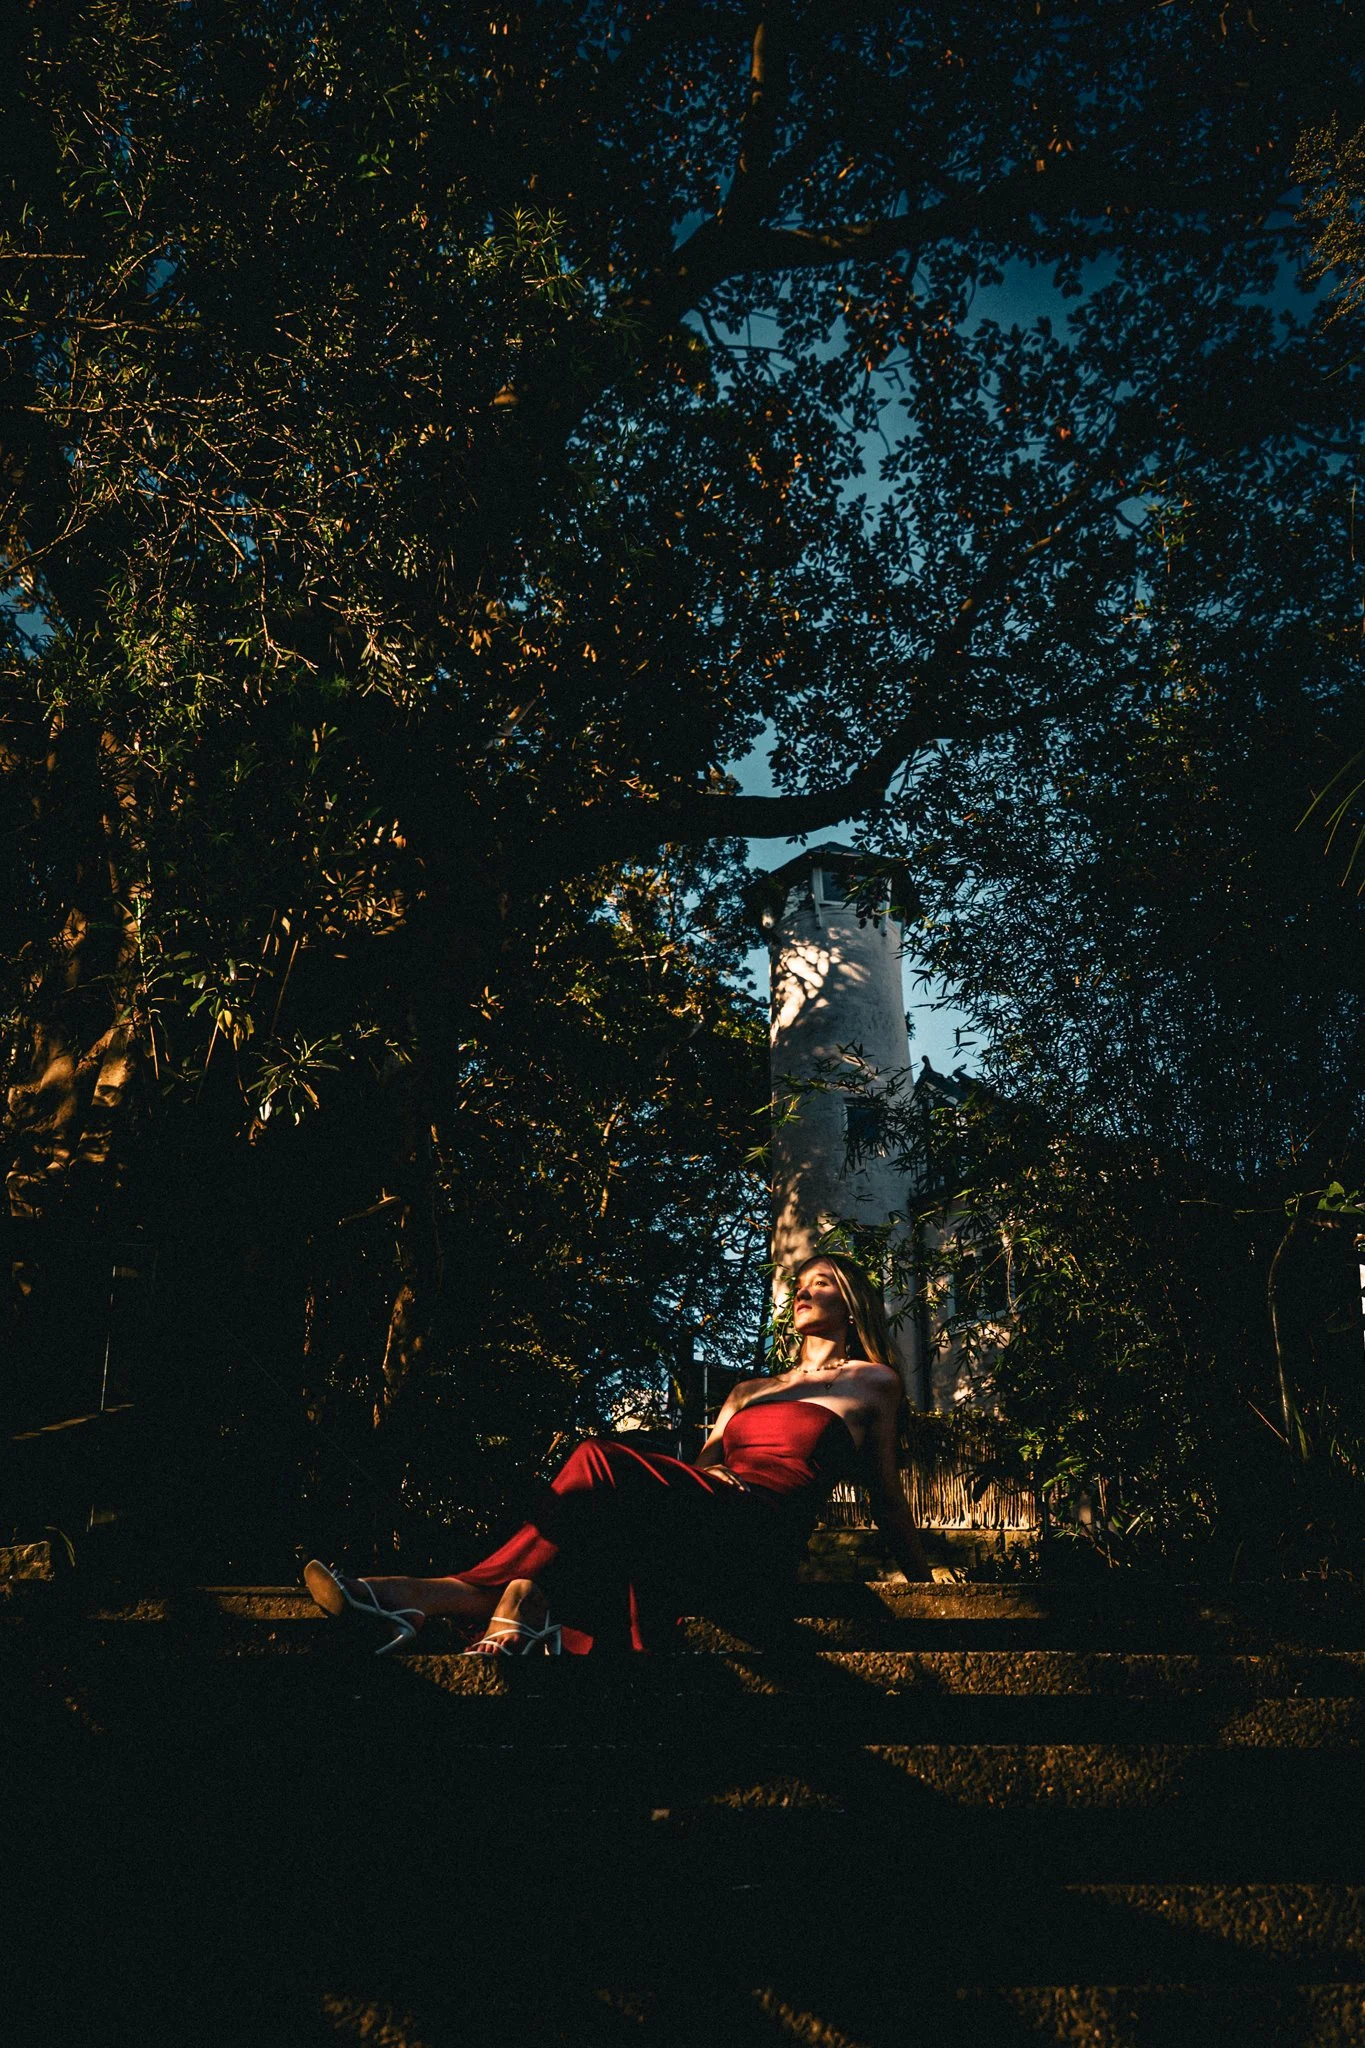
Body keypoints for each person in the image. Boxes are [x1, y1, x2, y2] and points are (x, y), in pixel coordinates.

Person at [303, 1252, 933, 1657]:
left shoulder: (873, 1382)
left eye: (818, 1283)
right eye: (796, 1285)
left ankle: (431, 1596)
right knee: (601, 1495)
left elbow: (885, 1494)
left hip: (759, 1536)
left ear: (849, 1301)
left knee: (599, 1460)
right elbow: (703, 1472)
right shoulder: (748, 1390)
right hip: (706, 1515)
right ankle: (502, 1598)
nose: (801, 1292)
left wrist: (924, 1588)